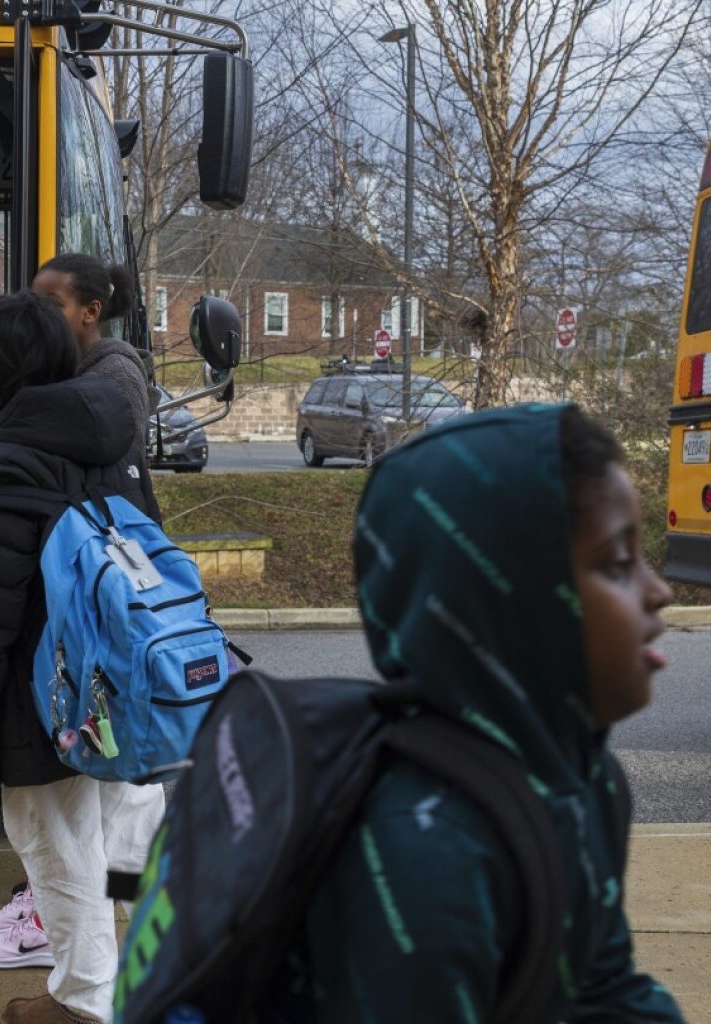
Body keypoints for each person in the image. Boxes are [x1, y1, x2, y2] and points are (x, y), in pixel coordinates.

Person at [279, 403, 685, 1022]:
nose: (661, 592)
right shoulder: (425, 856)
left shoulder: (592, 781)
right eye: (617, 564)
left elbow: (601, 983)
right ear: (516, 610)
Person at [0, 292, 165, 1024]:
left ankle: (82, 1004)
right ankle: (136, 973)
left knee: (58, 848)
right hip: (125, 686)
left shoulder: (6, 469)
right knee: (115, 839)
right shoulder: (113, 441)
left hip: (49, 703)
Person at [31, 253, 161, 523]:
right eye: (33, 304)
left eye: (52, 306)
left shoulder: (118, 375)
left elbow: (128, 475)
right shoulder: (52, 366)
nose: (37, 317)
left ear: (90, 312)